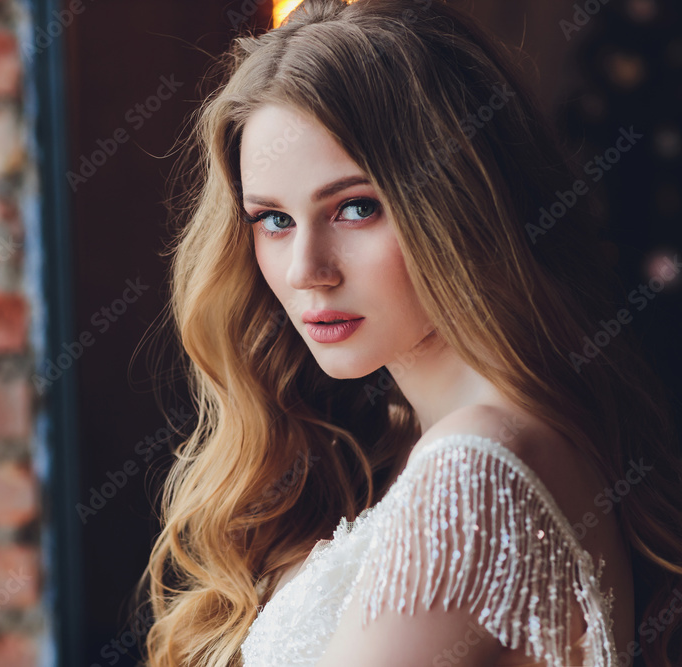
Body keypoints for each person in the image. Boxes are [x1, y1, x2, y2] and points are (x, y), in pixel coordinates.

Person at [135, 0, 682, 665]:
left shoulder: (476, 469)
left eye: (355, 207)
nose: (307, 270)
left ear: (457, 202)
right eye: (273, 220)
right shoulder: (445, 439)